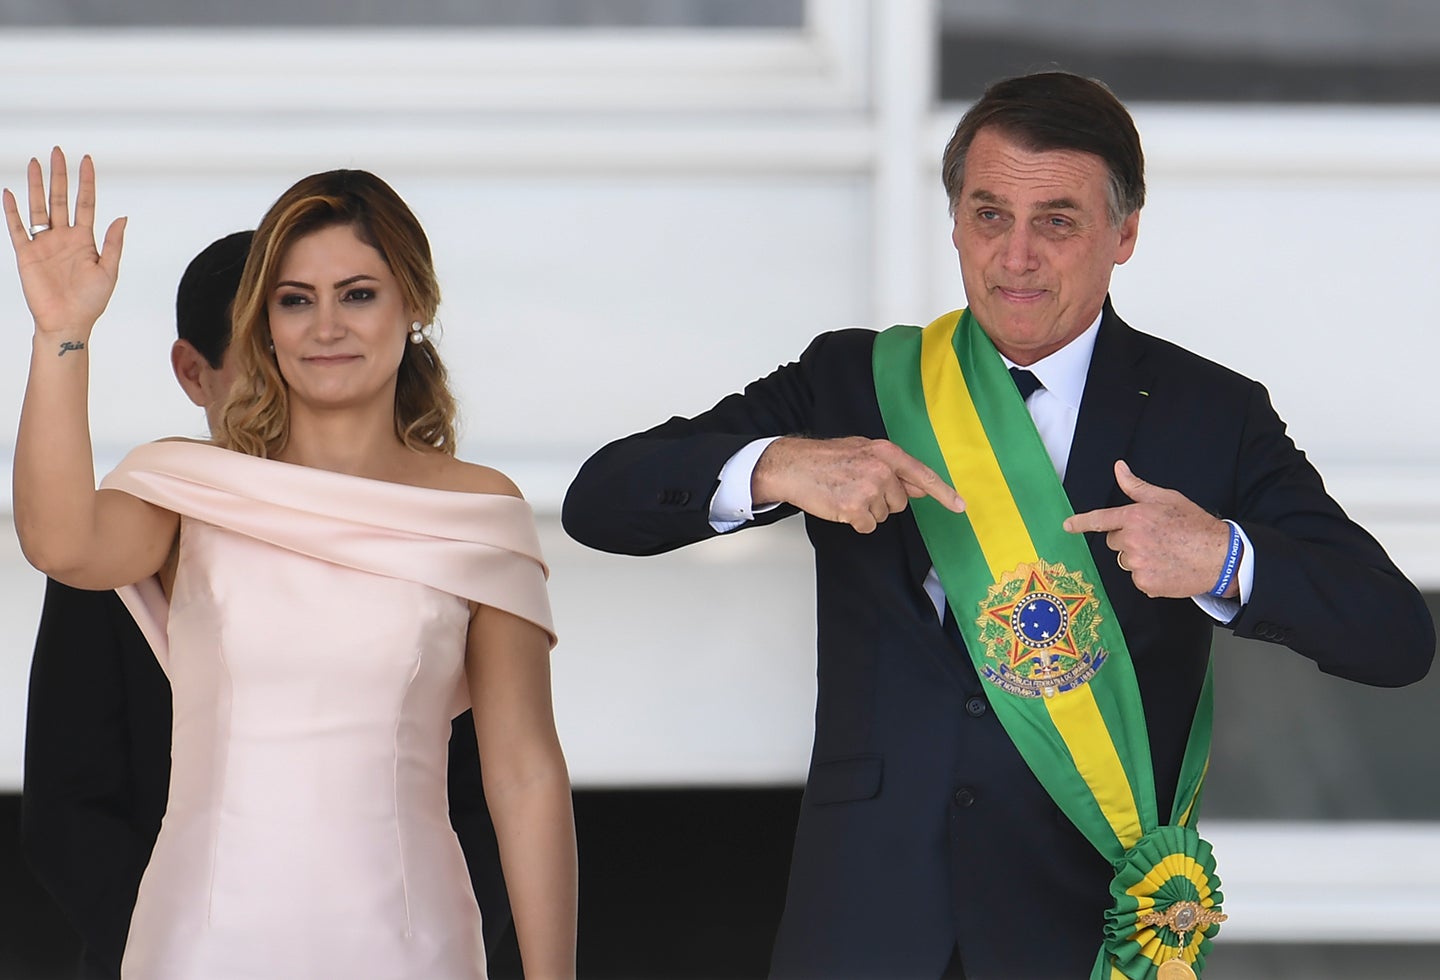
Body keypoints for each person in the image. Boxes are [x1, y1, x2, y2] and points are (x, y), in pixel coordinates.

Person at [562, 71, 1435, 980]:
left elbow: (1394, 637)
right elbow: (601, 500)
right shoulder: (857, 380)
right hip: (864, 922)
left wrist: (1225, 560)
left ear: (1124, 233)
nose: (1014, 257)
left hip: (1078, 930)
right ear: (953, 223)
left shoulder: (1210, 415)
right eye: (988, 216)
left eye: (1056, 221)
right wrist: (778, 463)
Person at [6, 151, 577, 979]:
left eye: (358, 294)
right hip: (199, 943)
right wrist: (62, 334)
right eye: (295, 301)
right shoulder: (188, 489)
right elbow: (59, 544)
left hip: (410, 943)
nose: (327, 327)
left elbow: (524, 773)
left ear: (411, 302)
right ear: (263, 321)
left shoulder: (479, 510)